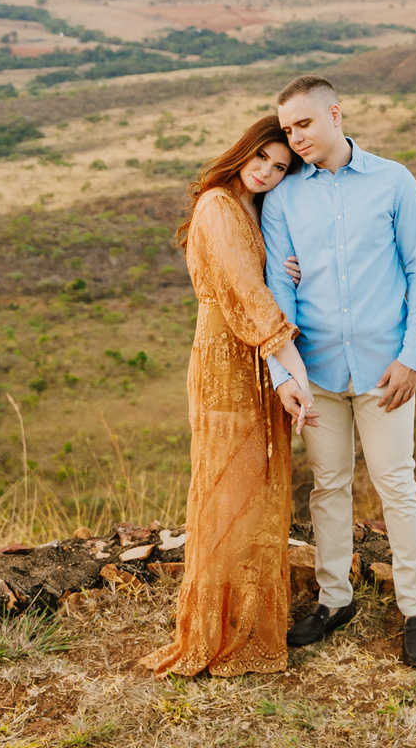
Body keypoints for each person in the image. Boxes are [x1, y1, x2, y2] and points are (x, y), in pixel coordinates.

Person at [260, 75, 416, 668]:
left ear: (334, 114)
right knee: (329, 487)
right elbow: (276, 290)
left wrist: (413, 356)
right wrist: (285, 376)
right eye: (287, 130)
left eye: (303, 124)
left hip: (386, 370)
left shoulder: (393, 181)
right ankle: (335, 600)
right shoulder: (284, 198)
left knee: (396, 485)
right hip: (315, 372)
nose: (296, 138)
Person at [140, 116, 317, 678]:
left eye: (280, 167)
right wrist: (295, 370)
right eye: (261, 158)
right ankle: (213, 630)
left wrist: (283, 268)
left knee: (258, 489)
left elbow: (259, 278)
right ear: (243, 151)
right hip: (225, 360)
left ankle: (247, 619)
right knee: (225, 486)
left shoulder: (255, 209)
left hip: (256, 359)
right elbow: (244, 290)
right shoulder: (218, 204)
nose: (267, 171)